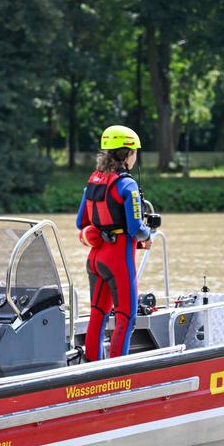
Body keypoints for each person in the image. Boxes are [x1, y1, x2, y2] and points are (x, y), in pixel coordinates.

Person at [76, 125, 152, 362]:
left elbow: (81, 222)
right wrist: (149, 235)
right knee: (125, 316)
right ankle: (117, 373)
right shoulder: (127, 185)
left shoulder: (92, 182)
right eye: (135, 152)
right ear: (127, 154)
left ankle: (92, 368)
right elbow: (135, 229)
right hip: (118, 260)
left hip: (95, 259)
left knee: (97, 315)